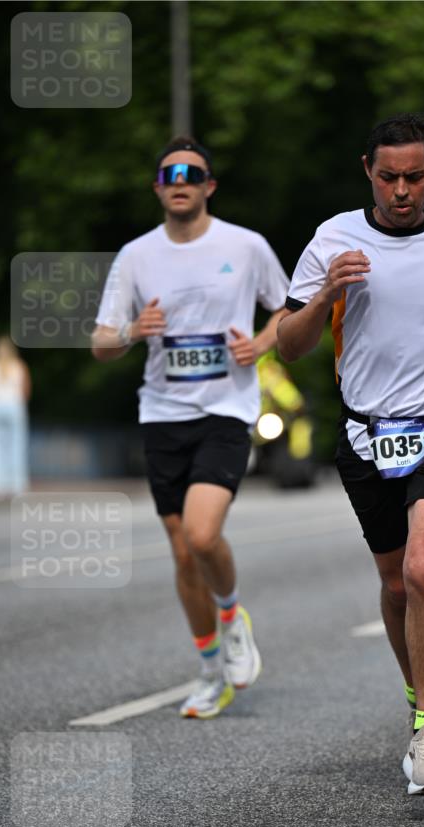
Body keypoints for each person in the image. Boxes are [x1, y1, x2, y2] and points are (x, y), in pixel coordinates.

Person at [278, 113, 424, 796]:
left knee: (422, 566)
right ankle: (419, 699)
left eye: (414, 176)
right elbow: (288, 345)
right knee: (392, 586)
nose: (402, 190)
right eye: (388, 177)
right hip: (364, 433)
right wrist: (326, 292)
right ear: (367, 172)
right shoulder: (332, 238)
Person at [92, 136, 289, 719]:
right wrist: (131, 332)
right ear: (157, 187)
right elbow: (100, 341)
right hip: (162, 415)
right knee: (182, 556)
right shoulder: (135, 256)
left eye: (192, 172)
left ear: (209, 186)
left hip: (226, 409)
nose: (180, 180)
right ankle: (210, 672)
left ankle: (232, 616)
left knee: (203, 536)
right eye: (169, 173)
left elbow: (290, 307)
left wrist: (261, 343)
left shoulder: (245, 246)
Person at [0, 337, 31, 498]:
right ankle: (18, 486)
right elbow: (26, 390)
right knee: (17, 446)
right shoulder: (19, 365)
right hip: (15, 407)